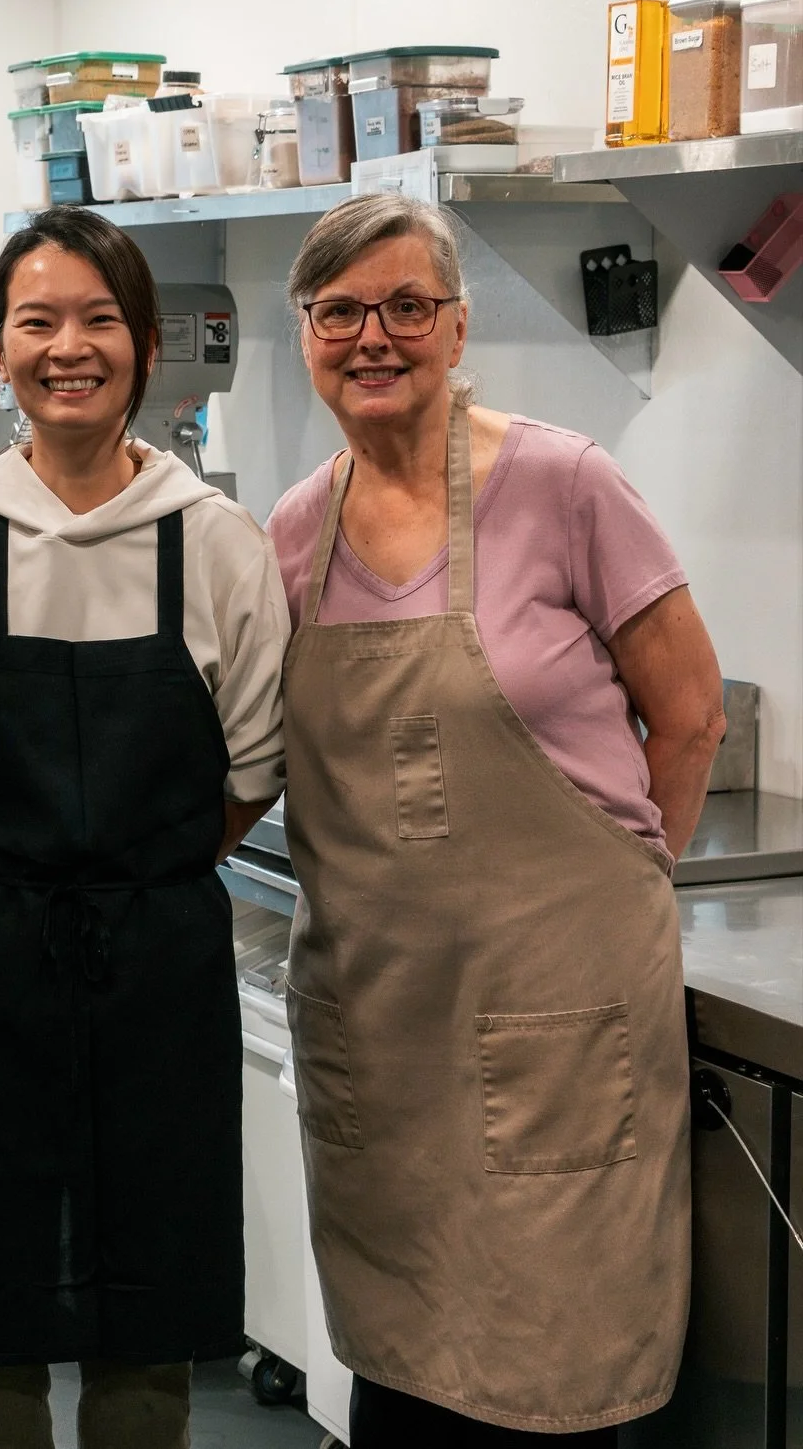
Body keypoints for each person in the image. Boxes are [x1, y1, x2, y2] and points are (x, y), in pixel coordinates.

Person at [268, 194, 724, 1446]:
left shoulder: (567, 483)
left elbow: (689, 716)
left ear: (458, 327)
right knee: (402, 1391)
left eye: (408, 307)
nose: (377, 336)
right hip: (385, 1038)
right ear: (306, 332)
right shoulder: (294, 533)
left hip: (561, 1030)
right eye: (342, 311)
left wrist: (621, 884)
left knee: (549, 1393)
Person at [0, 206, 291, 1449]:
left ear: (146, 345)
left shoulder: (218, 544)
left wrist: (136, 877)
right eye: (38, 320)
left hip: (157, 969)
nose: (69, 347)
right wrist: (16, 880)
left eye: (100, 319)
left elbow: (254, 762)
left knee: (147, 1322)